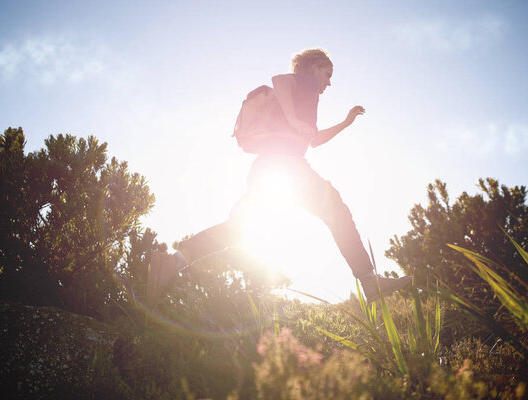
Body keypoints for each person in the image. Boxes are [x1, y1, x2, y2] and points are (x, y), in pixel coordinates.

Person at [148, 48, 411, 303]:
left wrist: (345, 123)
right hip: (287, 168)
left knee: (239, 229)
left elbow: (315, 140)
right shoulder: (305, 83)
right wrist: (293, 117)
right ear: (313, 68)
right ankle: (369, 282)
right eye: (328, 74)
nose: (329, 83)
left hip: (267, 169)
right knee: (336, 210)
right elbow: (279, 80)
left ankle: (172, 262)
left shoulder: (303, 97)